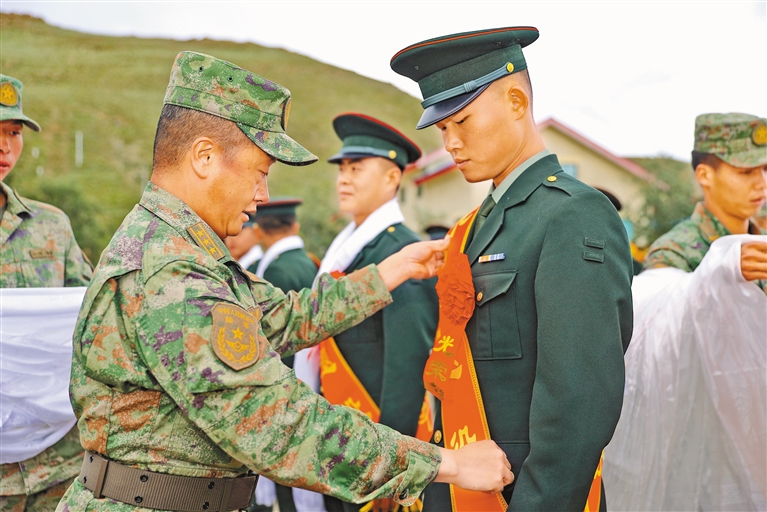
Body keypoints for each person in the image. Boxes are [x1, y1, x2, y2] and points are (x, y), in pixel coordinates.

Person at [57, 51, 513, 512]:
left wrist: (391, 272)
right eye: (259, 173)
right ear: (204, 157)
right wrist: (445, 463)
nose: (264, 195)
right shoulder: (172, 271)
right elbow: (275, 422)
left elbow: (281, 317)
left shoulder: (181, 248)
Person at [390, 27, 633, 511]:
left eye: (462, 121)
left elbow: (579, 403)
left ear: (517, 102)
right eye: (442, 129)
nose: (451, 142)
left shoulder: (572, 214)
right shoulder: (476, 225)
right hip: (459, 489)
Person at [317, 113, 439, 512]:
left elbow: (407, 369)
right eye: (342, 169)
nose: (344, 179)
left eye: (357, 168)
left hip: (372, 454)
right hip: (338, 442)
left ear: (391, 178)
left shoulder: (401, 253)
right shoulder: (349, 249)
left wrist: (391, 471)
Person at [0, 74, 92, 511]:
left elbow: (91, 320)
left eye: (13, 133)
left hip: (56, 464)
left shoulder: (51, 225)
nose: (5, 148)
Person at [246, 197, 317, 512]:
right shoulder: (307, 262)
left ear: (258, 231)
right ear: (295, 226)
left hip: (284, 386)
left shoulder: (274, 269)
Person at [643, 113, 767, 292]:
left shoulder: (762, 241)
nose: (762, 183)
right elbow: (663, 308)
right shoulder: (673, 254)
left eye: (765, 169)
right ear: (705, 175)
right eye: (746, 172)